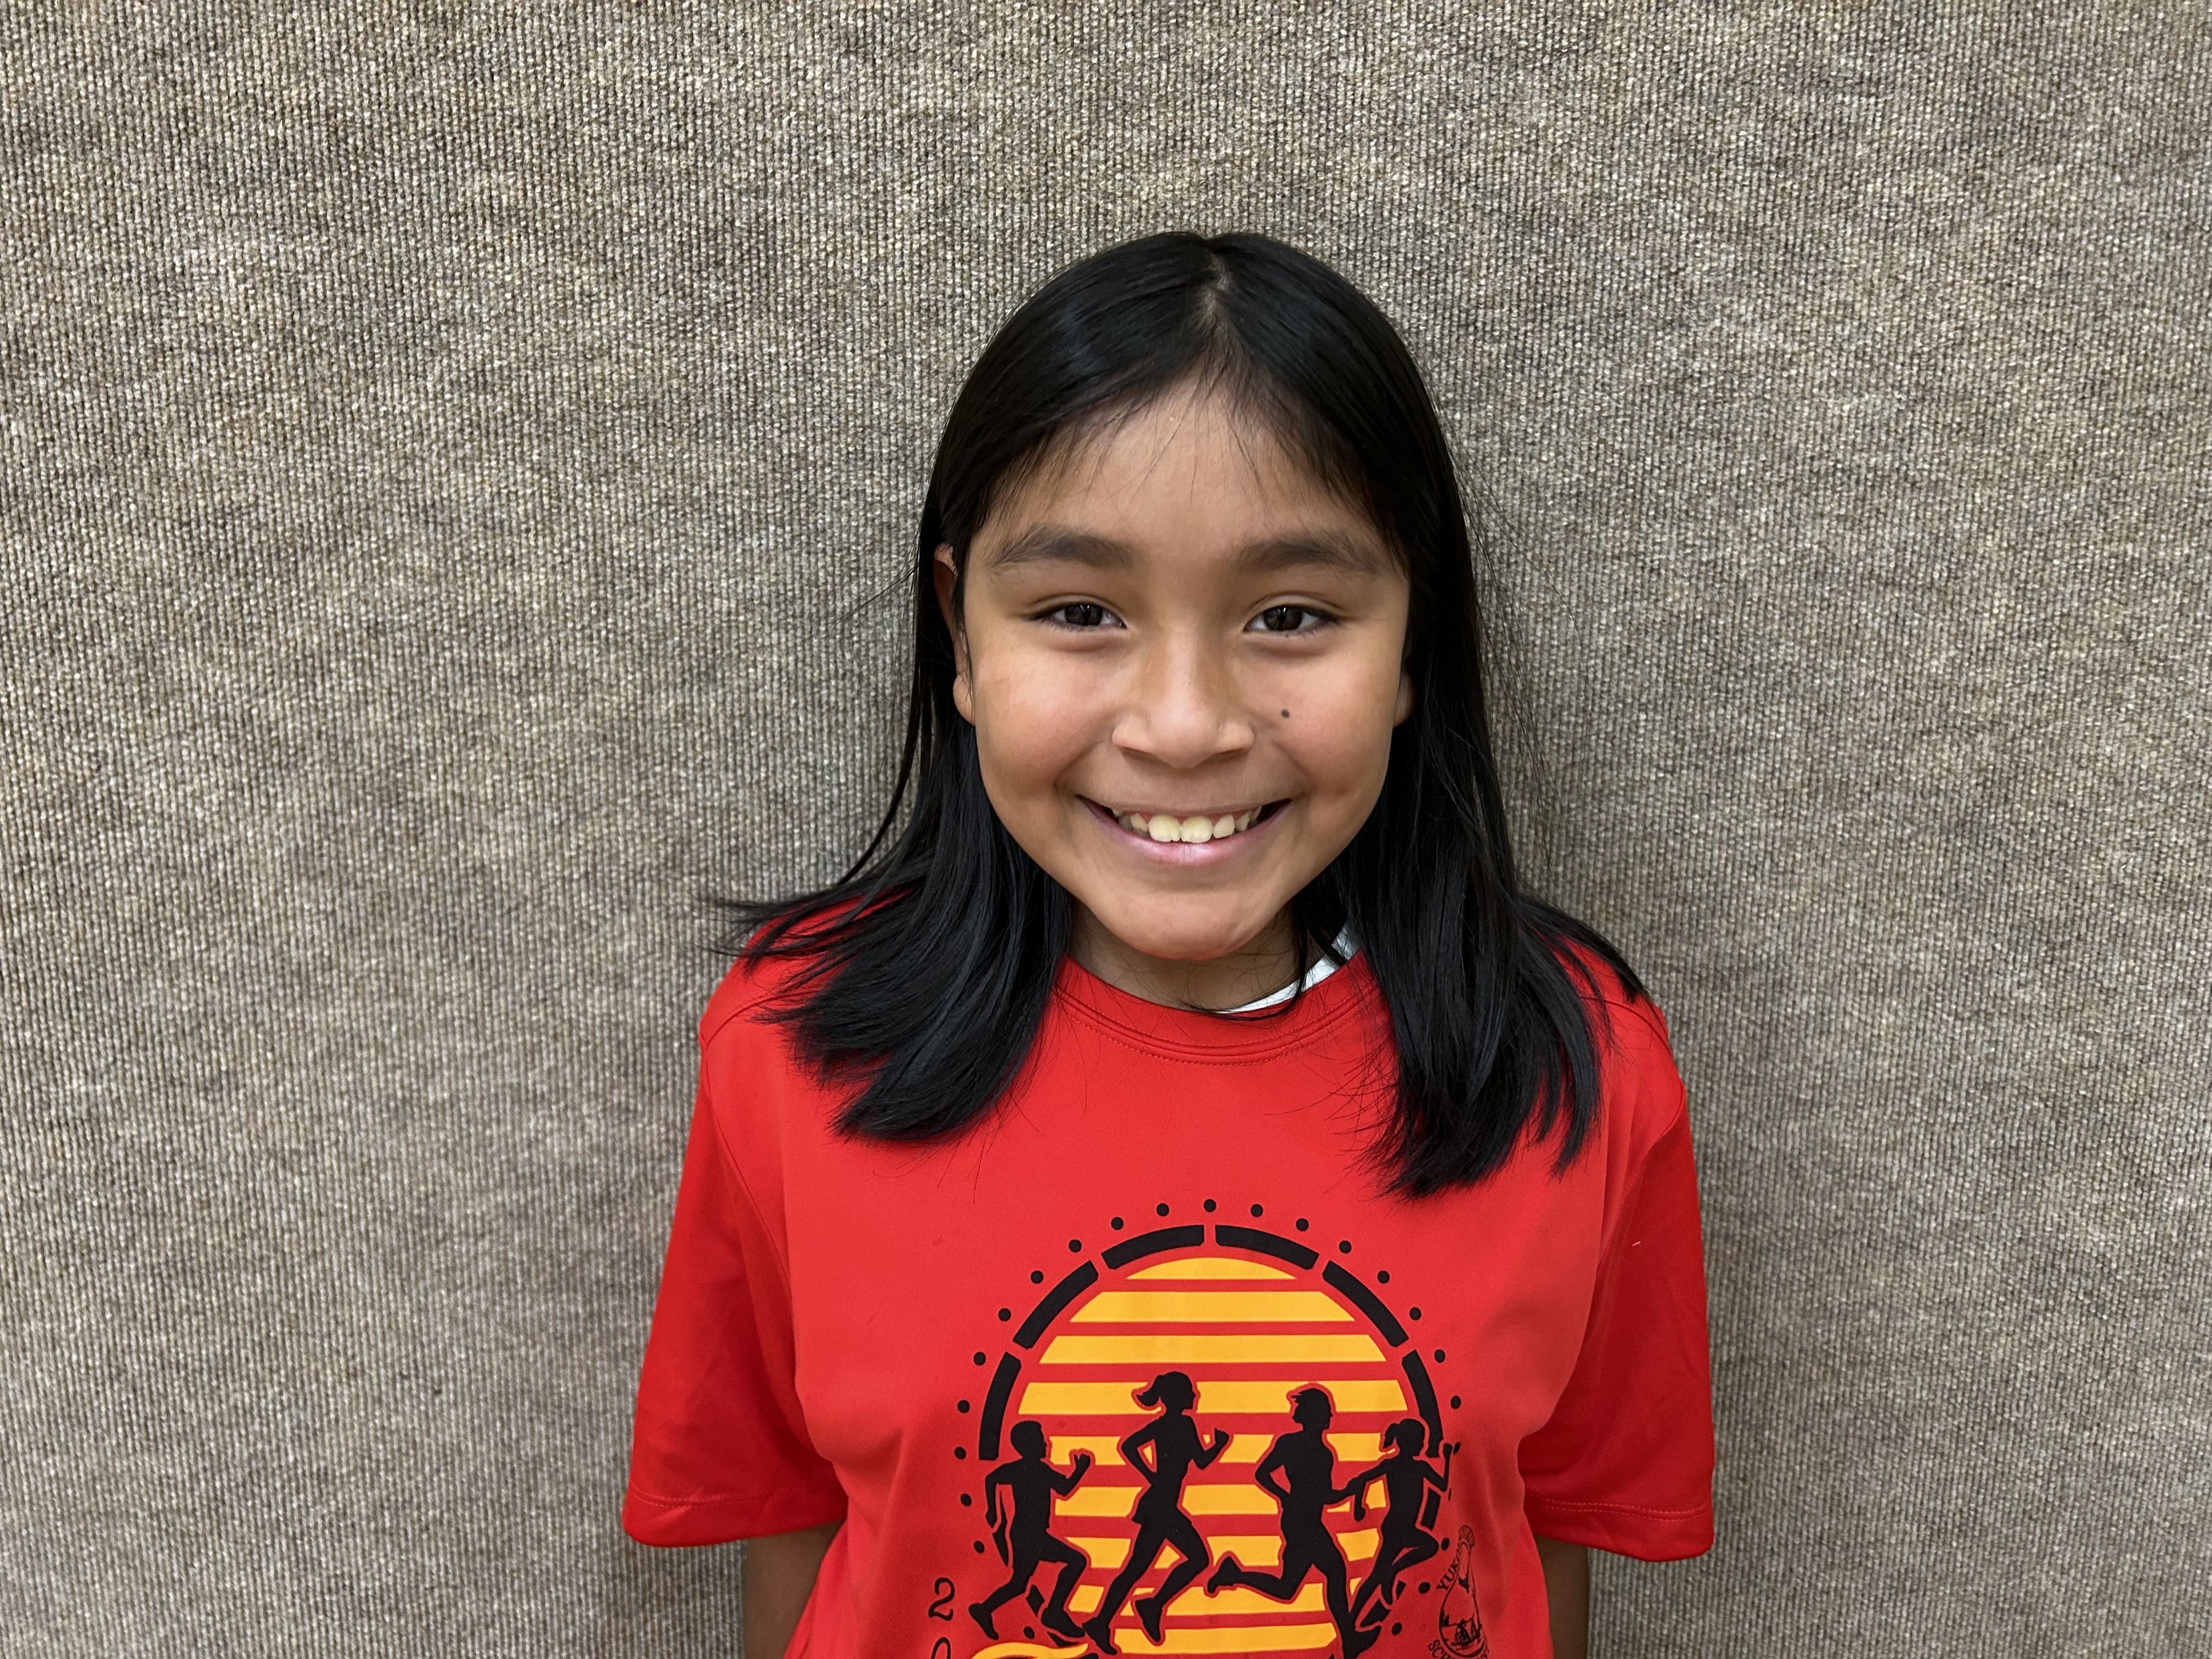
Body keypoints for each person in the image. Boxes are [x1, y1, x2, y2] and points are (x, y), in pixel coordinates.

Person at [619, 231, 1715, 1659]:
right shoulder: (792, 1042)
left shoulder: (1572, 1062)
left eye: (1291, 617)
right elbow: (789, 1537)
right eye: (1080, 613)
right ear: (959, 631)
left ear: (1411, 648)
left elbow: (1535, 1572)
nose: (1184, 724)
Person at [1204, 1387, 1373, 1655]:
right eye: (1326, 1410)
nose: (1331, 1414)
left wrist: (1344, 1491)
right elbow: (1264, 1474)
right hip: (1301, 1523)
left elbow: (1321, 1495)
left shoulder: (1320, 1451)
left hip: (1305, 1520)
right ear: (1314, 1415)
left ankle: (1233, 1574)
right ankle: (1350, 1639)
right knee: (1334, 1572)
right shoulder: (1301, 1447)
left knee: (1288, 1587)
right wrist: (1288, 1496)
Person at [1080, 1372, 1229, 1652]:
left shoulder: (1174, 1425)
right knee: (1193, 1559)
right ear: (1176, 1397)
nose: (1194, 1396)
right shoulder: (1183, 1425)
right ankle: (1144, 1607)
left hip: (1163, 1504)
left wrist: (1152, 1474)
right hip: (1161, 1506)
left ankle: (1115, 1617)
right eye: (1189, 1391)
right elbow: (1131, 1446)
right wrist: (1153, 1474)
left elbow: (1196, 1460)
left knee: (1141, 1567)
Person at [969, 1420, 1093, 1641]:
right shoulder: (1024, 1469)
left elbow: (1063, 1489)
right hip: (1028, 1535)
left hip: (1032, 1534)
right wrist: (993, 1511)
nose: (1046, 1443)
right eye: (1040, 1439)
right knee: (1075, 1561)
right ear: (1028, 1445)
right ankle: (1054, 1612)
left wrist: (1079, 1471)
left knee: (1019, 1583)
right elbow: (992, 1478)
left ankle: (985, 1609)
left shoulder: (1039, 1469)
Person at [1342, 1418, 1454, 1631]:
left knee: (1429, 1546)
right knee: (1375, 1575)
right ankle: (1351, 1619)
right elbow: (1363, 1479)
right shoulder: (1393, 1465)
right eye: (1421, 1440)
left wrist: (1447, 1458)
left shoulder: (1420, 1467)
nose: (1423, 1444)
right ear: (1411, 1442)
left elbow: (1441, 1486)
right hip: (1395, 1527)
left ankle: (1393, 1571)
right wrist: (1359, 1506)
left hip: (1406, 1527)